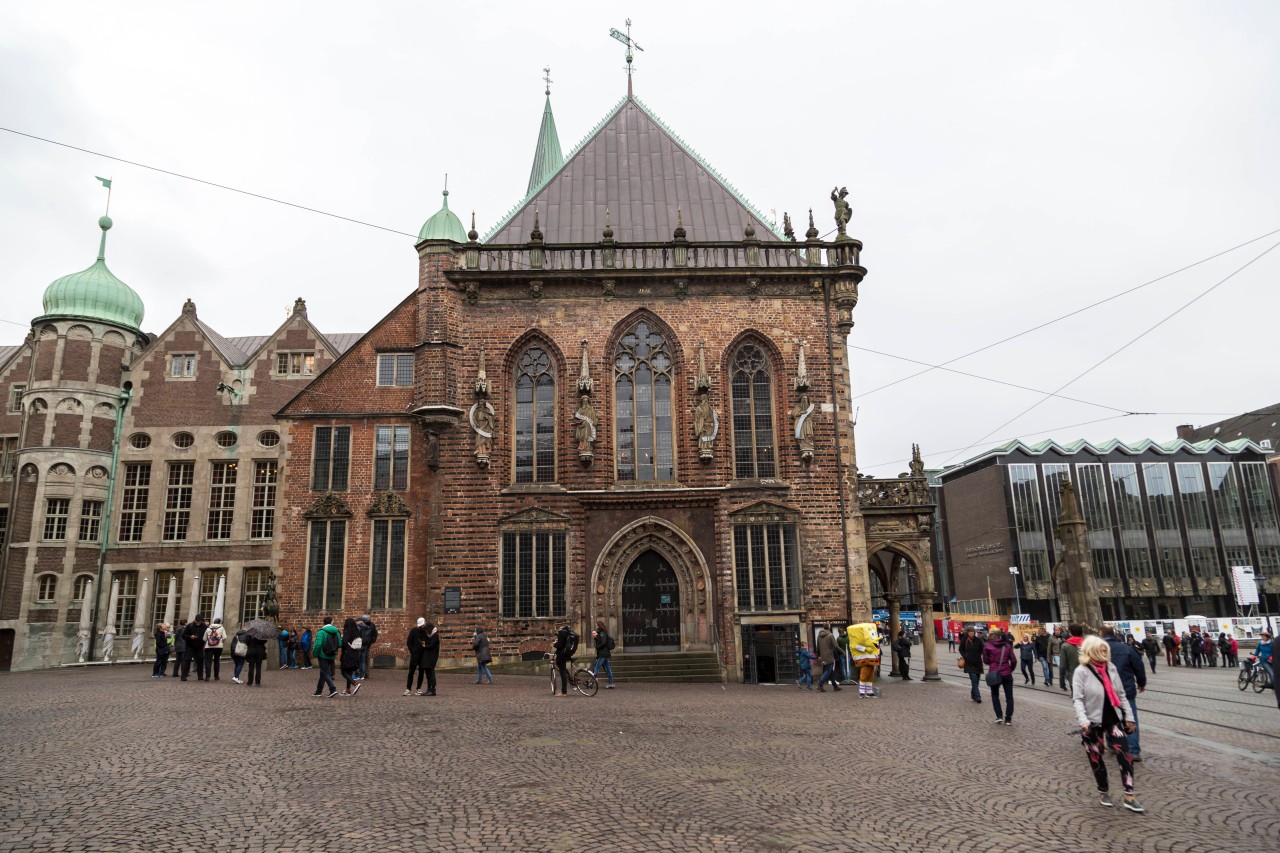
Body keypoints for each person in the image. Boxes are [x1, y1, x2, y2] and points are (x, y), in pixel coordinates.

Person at [1072, 635, 1143, 812]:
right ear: (1092, 651)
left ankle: (1129, 795)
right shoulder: (1081, 671)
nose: (1105, 653)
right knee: (1096, 758)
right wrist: (1083, 721)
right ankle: (1103, 791)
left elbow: (1121, 694)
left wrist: (1129, 717)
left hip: (1112, 719)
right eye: (1102, 650)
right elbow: (1078, 699)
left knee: (1125, 755)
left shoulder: (1110, 668)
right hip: (1092, 721)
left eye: (1106, 650)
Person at [1101, 625, 1147, 762]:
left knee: (1110, 718)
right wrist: (1141, 682)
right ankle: (1133, 750)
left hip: (1106, 690)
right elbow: (1139, 666)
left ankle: (1112, 745)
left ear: (1101, 634)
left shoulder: (1098, 650)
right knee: (1130, 718)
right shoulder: (1127, 648)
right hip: (1126, 689)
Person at [983, 628, 1016, 724]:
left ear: (991, 636)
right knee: (1009, 697)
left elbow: (985, 661)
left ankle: (999, 716)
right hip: (1006, 673)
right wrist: (1010, 669)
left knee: (994, 695)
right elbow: (1013, 660)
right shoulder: (1007, 645)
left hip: (994, 673)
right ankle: (1008, 719)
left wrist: (993, 663)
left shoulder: (987, 646)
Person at [311, 617, 341, 697]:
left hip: (322, 655)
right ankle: (318, 691)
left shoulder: (321, 632)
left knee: (325, 672)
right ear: (332, 622)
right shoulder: (337, 631)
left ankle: (332, 689)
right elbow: (339, 643)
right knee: (323, 672)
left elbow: (318, 645)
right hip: (332, 655)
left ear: (323, 622)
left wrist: (315, 653)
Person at [405, 618, 429, 696]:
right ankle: (409, 689)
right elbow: (409, 642)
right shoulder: (414, 631)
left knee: (421, 672)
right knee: (411, 672)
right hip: (416, 655)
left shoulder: (425, 631)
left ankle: (418, 688)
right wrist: (413, 651)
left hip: (422, 655)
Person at [960, 627, 985, 703]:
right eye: (970, 632)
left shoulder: (978, 640)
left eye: (973, 632)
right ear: (967, 633)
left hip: (977, 663)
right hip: (969, 663)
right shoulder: (965, 640)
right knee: (974, 680)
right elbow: (960, 649)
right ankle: (977, 697)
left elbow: (982, 648)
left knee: (976, 681)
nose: (971, 633)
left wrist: (979, 654)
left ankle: (973, 695)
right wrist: (965, 656)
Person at [339, 617, 362, 696]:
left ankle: (355, 684)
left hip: (347, 654)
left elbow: (344, 644)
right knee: (349, 672)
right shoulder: (357, 632)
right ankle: (348, 690)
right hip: (355, 654)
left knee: (343, 671)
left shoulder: (347, 632)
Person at [1060, 623, 1085, 693]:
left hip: (1074, 678)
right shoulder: (1088, 644)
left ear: (1070, 633)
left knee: (1078, 701)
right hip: (1089, 678)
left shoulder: (1065, 646)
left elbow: (1062, 666)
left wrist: (1062, 682)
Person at [181, 615, 207, 681]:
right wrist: (190, 637)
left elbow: (206, 635)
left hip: (200, 646)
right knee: (187, 661)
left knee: (200, 661)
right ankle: (184, 676)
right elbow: (183, 635)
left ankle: (200, 676)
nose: (198, 623)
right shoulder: (190, 626)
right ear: (195, 620)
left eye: (199, 622)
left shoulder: (204, 626)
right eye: (197, 621)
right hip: (190, 646)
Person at [588, 620, 613, 689]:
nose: (596, 626)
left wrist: (597, 647)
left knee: (597, 667)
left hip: (603, 654)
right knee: (607, 668)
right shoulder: (601, 633)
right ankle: (611, 683)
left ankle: (592, 682)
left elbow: (603, 643)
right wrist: (596, 638)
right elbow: (600, 641)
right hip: (604, 654)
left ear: (599, 625)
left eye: (596, 625)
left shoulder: (602, 633)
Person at [815, 627, 841, 692]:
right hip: (829, 656)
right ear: (829, 627)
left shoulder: (819, 636)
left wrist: (818, 655)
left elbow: (818, 647)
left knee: (830, 671)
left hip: (823, 656)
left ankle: (835, 686)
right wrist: (842, 651)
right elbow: (835, 646)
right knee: (828, 671)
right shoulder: (830, 635)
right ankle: (820, 684)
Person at [419, 621, 440, 696]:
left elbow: (431, 646)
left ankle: (432, 689)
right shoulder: (429, 636)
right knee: (428, 674)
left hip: (432, 657)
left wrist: (425, 646)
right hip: (427, 657)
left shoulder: (435, 636)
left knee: (431, 674)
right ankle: (429, 688)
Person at [356, 614, 378, 680]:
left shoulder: (359, 625)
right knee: (365, 659)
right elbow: (375, 634)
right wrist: (371, 641)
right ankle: (366, 674)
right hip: (367, 644)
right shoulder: (371, 625)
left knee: (359, 659)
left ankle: (359, 674)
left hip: (360, 644)